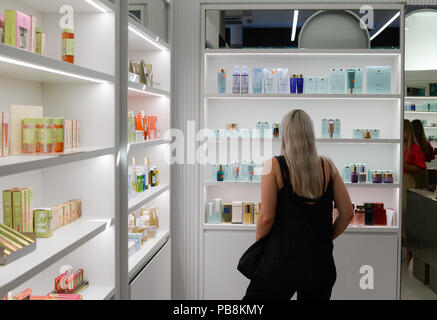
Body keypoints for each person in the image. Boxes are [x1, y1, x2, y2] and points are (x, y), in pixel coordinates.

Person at [242, 110, 353, 301]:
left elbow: (266, 217)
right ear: (310, 134)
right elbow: (347, 213)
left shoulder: (274, 166)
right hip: (319, 262)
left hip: (281, 261)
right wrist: (326, 238)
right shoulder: (328, 167)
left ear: (285, 134)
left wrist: (259, 248)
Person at [403, 120, 426, 266]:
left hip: (408, 182)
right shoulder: (400, 146)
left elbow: (420, 168)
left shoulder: (414, 149)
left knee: (407, 217)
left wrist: (402, 164)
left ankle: (410, 256)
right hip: (401, 182)